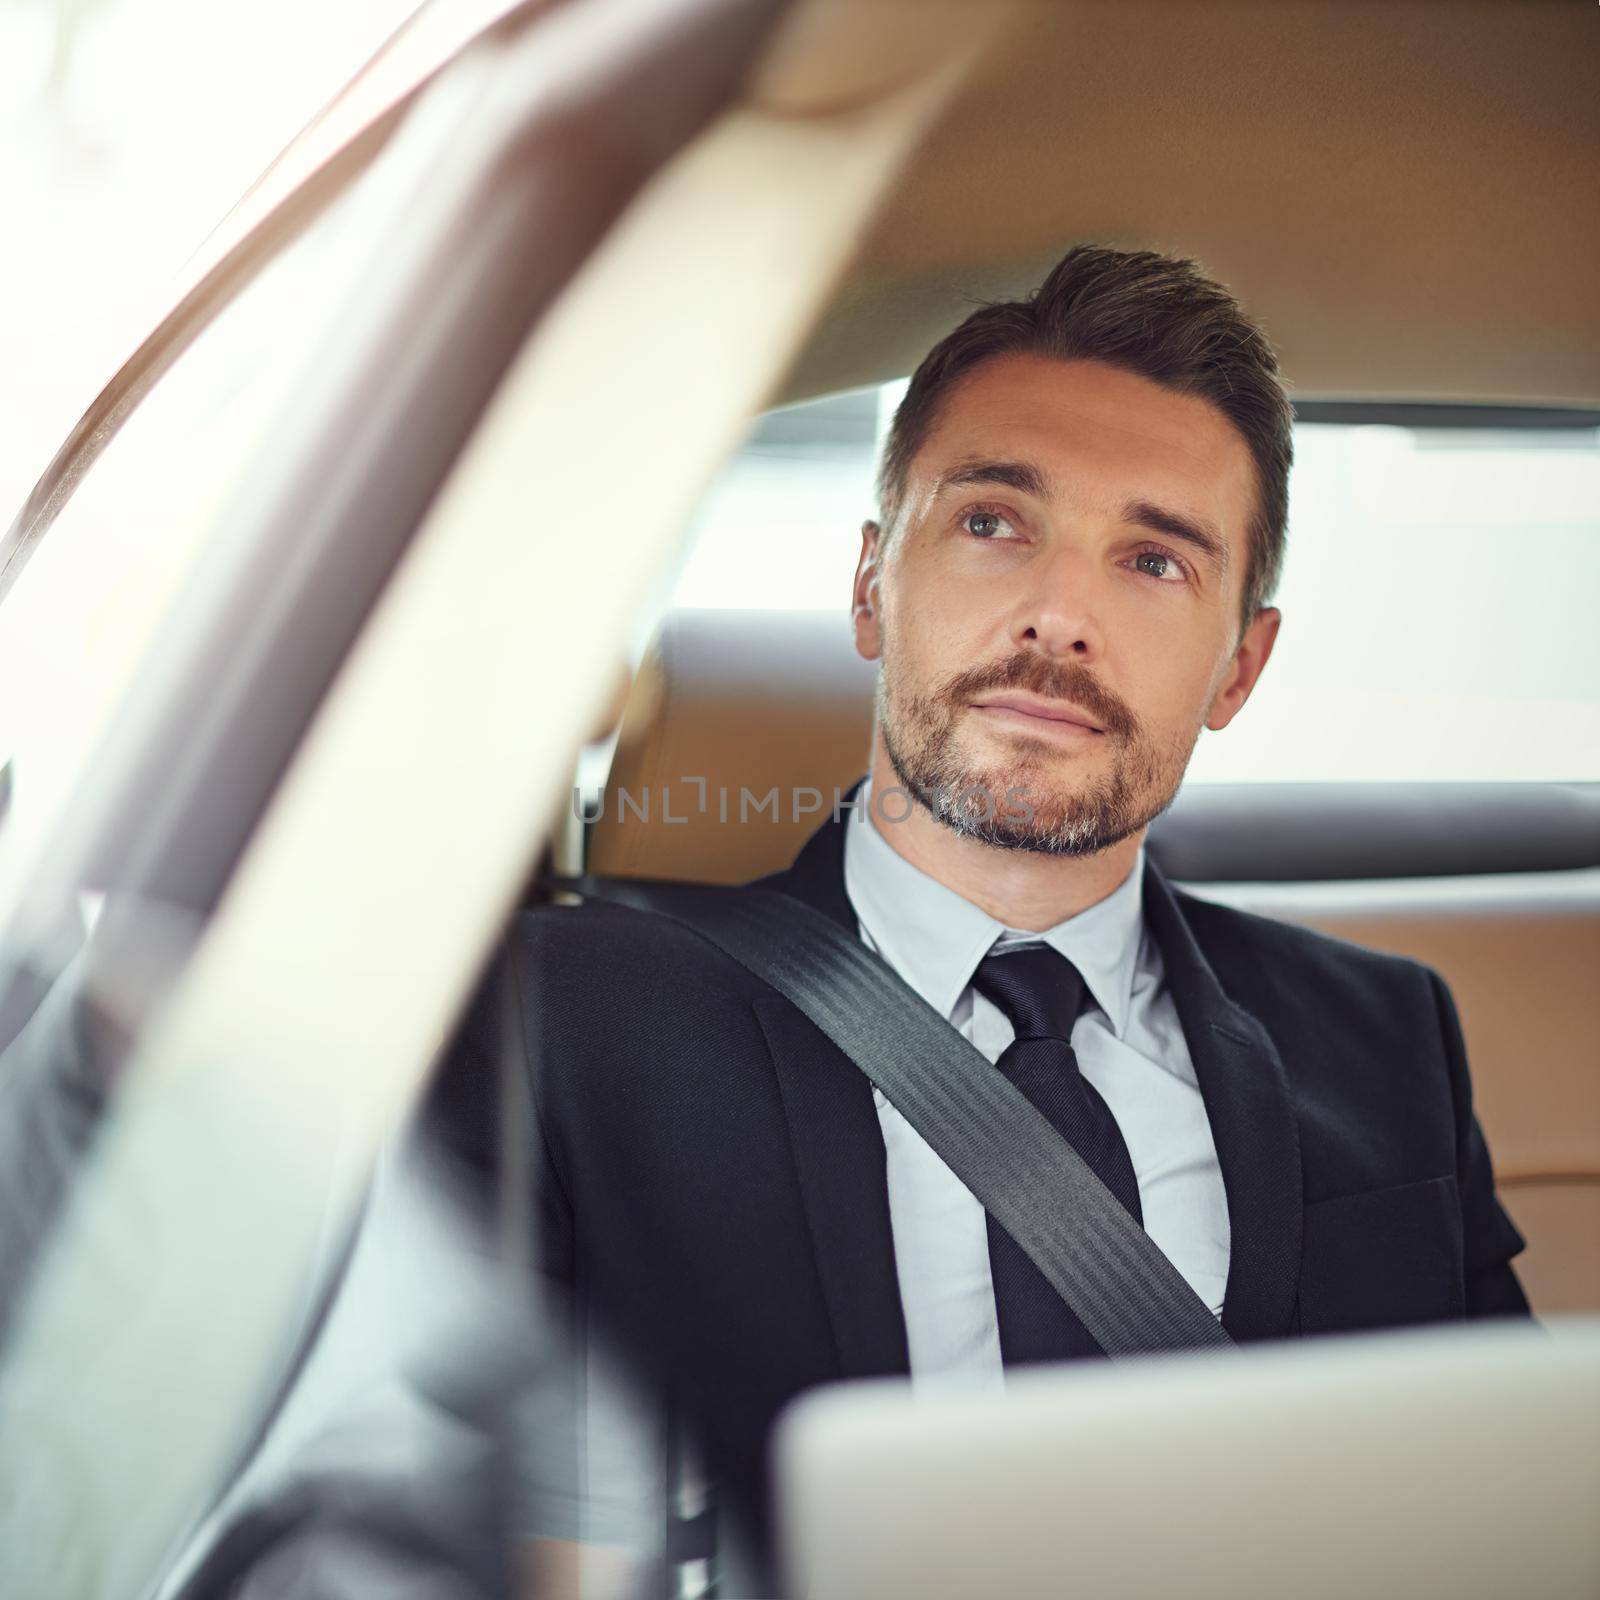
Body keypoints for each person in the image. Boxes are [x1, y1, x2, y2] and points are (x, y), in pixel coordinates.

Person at [430, 243, 1530, 1589]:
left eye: (1155, 561)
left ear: (1240, 666)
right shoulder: (573, 1021)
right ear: (867, 587)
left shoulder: (1384, 1038)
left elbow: (1510, 1519)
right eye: (995, 524)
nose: (1060, 616)